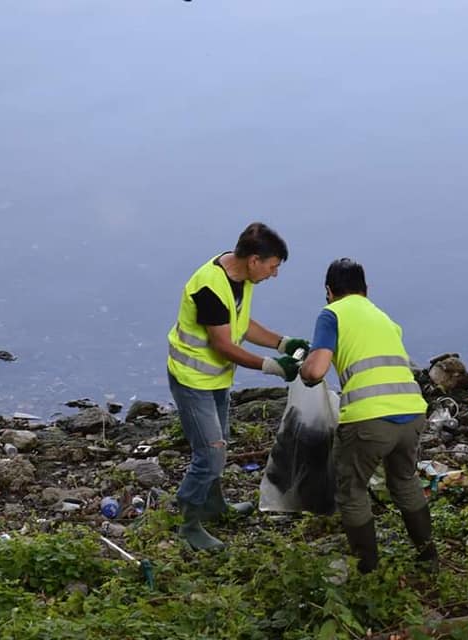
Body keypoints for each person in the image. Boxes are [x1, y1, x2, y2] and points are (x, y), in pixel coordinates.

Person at [167, 222, 309, 551]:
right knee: (210, 453)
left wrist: (282, 343)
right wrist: (270, 366)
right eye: (273, 267)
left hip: (214, 378)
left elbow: (240, 324)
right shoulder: (210, 287)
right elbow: (223, 345)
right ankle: (188, 523)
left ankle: (214, 507)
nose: (274, 274)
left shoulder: (241, 277)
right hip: (192, 380)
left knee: (221, 442)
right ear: (255, 260)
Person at [299, 258, 437, 574]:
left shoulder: (331, 314)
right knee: (403, 479)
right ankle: (429, 559)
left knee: (351, 489)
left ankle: (368, 571)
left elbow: (317, 370)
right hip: (413, 412)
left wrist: (304, 371)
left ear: (329, 291)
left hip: (368, 420)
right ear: (366, 290)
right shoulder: (386, 319)